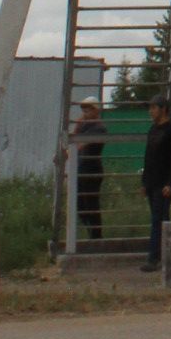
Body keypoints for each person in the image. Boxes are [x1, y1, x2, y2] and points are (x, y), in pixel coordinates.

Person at [139, 99, 171, 271]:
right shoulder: (153, 129)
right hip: (152, 181)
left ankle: (154, 258)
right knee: (160, 219)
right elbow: (148, 157)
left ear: (163, 109)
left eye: (153, 108)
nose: (150, 111)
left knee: (158, 219)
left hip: (164, 184)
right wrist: (144, 182)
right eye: (149, 107)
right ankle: (166, 255)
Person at [69, 98, 108, 241]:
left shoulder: (99, 128)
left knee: (91, 203)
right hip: (81, 168)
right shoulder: (83, 125)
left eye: (89, 109)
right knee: (80, 205)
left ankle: (96, 236)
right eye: (84, 109)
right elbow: (74, 141)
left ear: (96, 110)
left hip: (92, 169)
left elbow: (79, 144)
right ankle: (92, 232)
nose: (85, 112)